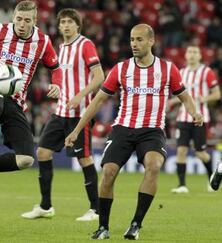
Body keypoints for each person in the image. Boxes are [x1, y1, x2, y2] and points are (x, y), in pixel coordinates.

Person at [65, 24, 203, 240]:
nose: (134, 44)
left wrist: (194, 113)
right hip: (123, 128)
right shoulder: (121, 69)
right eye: (131, 40)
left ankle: (136, 224)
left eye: (139, 40)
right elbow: (98, 100)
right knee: (109, 172)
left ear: (151, 41)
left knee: (154, 166)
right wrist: (76, 130)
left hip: (152, 130)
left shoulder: (168, 69)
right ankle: (103, 227)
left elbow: (184, 96)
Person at [0, 0, 62, 198]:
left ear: (34, 21)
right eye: (19, 19)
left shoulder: (43, 41)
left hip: (17, 101)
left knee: (25, 160)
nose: (22, 24)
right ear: (13, 17)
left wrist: (57, 84)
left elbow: (55, 68)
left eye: (27, 20)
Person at [21, 8, 104, 221]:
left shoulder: (85, 45)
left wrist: (80, 95)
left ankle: (95, 209)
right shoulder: (61, 48)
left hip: (81, 113)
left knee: (84, 158)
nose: (66, 25)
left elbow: (99, 77)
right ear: (59, 26)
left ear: (78, 25)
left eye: (70, 22)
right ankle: (46, 206)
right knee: (42, 152)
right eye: (63, 22)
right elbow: (63, 76)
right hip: (61, 112)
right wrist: (57, 88)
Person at [168, 45, 220, 193]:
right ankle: (182, 185)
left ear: (200, 56)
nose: (192, 55)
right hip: (183, 118)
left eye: (195, 52)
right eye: (189, 52)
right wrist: (172, 102)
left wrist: (205, 98)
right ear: (185, 55)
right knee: (181, 151)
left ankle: (212, 179)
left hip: (200, 119)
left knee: (200, 153)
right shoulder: (181, 72)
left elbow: (217, 94)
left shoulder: (206, 72)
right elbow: (182, 96)